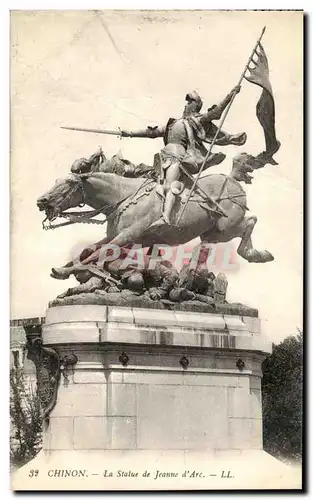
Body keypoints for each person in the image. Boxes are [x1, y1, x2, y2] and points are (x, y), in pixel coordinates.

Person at [121, 86, 246, 226]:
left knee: (170, 185)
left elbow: (216, 113)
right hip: (162, 160)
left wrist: (230, 95)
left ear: (196, 105)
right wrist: (130, 133)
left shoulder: (196, 121)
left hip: (177, 158)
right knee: (147, 182)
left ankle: (166, 218)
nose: (186, 105)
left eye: (189, 102)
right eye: (187, 102)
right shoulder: (173, 124)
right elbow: (151, 132)